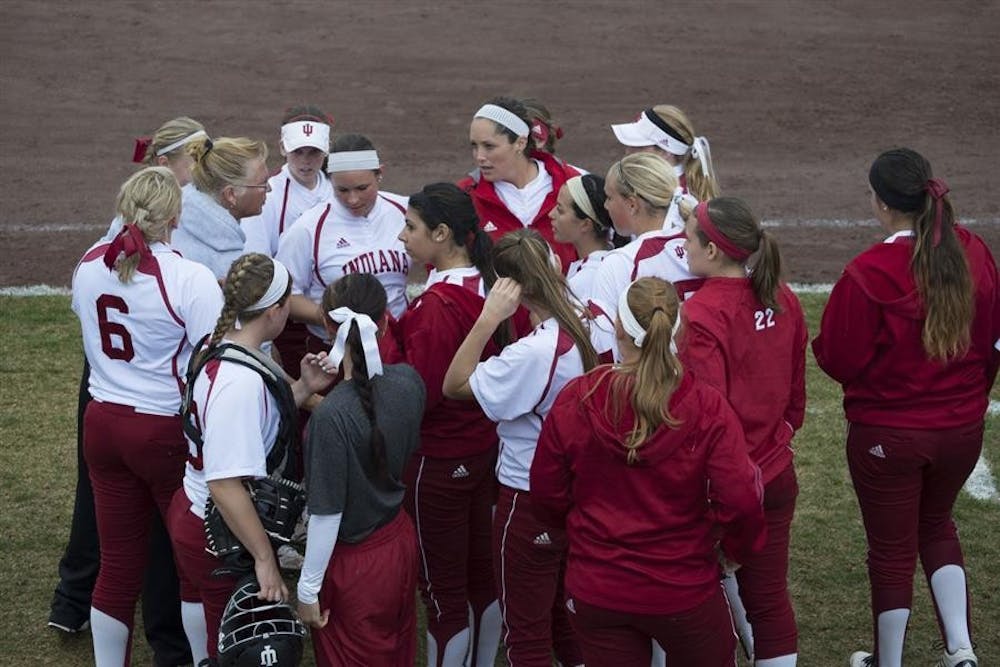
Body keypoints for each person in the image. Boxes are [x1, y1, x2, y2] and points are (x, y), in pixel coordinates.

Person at [813, 148, 998, 667]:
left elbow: (839, 357)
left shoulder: (868, 272)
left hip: (888, 435)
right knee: (938, 525)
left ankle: (888, 662)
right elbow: (991, 343)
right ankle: (961, 651)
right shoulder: (974, 251)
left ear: (881, 203)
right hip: (961, 427)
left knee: (891, 551)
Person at [530, 276, 766, 667]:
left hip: (599, 585)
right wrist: (735, 551)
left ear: (619, 328)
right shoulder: (705, 406)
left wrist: (583, 533)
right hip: (682, 587)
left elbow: (547, 494)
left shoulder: (578, 398)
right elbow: (740, 498)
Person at [49, 118, 208, 667]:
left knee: (117, 563)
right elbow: (211, 356)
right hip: (160, 428)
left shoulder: (89, 265)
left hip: (101, 423)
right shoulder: (186, 276)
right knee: (188, 555)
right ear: (175, 216)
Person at [166, 253, 332, 666]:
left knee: (204, 611)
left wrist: (300, 389)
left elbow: (253, 423)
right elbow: (225, 483)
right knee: (237, 646)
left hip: (195, 510)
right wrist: (264, 559)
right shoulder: (238, 384)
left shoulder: (219, 343)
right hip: (219, 527)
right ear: (275, 311)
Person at [443, 229, 599, 667]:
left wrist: (488, 319)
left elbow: (454, 385)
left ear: (509, 289)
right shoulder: (596, 321)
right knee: (569, 618)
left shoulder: (533, 353)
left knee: (526, 633)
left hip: (528, 496)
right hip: (583, 491)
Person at [678, 197, 808, 666]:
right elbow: (796, 398)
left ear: (712, 251)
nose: (682, 244)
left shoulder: (701, 314)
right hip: (775, 473)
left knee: (697, 597)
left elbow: (709, 413)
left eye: (689, 236)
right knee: (770, 598)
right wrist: (775, 442)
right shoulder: (784, 297)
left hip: (725, 483)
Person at [396, 183, 506, 667]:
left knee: (444, 595)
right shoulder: (495, 286)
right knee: (484, 580)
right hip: (487, 452)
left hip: (439, 463)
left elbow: (420, 393)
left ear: (442, 234)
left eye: (411, 227)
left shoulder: (437, 307)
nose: (402, 237)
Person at [296, 273, 426, 667]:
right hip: (399, 542)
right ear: (385, 322)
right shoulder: (409, 382)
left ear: (327, 327)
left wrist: (306, 589)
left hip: (354, 564)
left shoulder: (332, 418)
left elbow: (326, 514)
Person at [276, 132, 411, 359]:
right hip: (334, 351)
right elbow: (286, 294)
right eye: (342, 190)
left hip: (398, 340)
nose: (353, 200)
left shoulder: (405, 210)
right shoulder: (308, 228)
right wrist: (329, 318)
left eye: (362, 188)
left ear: (380, 174)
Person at [589, 153, 703, 360]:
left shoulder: (621, 263)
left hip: (652, 385)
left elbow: (605, 350)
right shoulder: (704, 247)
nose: (605, 206)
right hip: (710, 380)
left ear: (632, 204)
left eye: (609, 197)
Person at [460, 96, 579, 272]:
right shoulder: (465, 195)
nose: (479, 156)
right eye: (474, 146)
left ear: (520, 143)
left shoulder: (571, 183)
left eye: (489, 146)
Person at [171, 136, 271, 281]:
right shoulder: (227, 268)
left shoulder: (170, 213)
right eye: (263, 184)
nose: (269, 189)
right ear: (231, 195)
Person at [242, 104, 334, 257]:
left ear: (327, 148)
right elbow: (256, 258)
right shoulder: (266, 195)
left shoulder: (342, 189)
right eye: (298, 152)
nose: (306, 161)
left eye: (314, 152)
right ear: (282, 147)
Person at [610, 104, 719, 202]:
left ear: (666, 152)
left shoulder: (677, 202)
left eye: (640, 146)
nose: (628, 151)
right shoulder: (643, 184)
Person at [549, 174, 614, 303]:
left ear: (585, 224)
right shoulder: (610, 261)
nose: (551, 214)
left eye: (560, 210)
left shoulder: (583, 281)